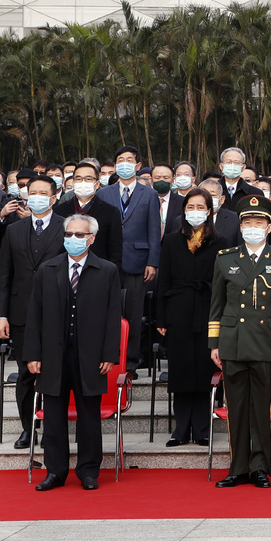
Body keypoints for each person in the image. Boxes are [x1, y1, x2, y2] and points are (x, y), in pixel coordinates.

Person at [25, 213, 124, 491]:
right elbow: (35, 314)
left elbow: (113, 314)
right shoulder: (47, 269)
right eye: (69, 234)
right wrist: (33, 354)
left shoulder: (107, 270)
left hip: (90, 356)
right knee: (54, 416)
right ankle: (55, 471)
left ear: (91, 238)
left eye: (79, 235)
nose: (73, 239)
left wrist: (109, 354)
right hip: (53, 355)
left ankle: (89, 471)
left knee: (89, 417)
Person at [209, 194, 271, 489]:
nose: (253, 227)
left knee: (260, 408)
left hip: (266, 341)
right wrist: (214, 343)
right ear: (240, 226)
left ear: (269, 227)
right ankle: (237, 468)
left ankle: (260, 466)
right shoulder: (225, 258)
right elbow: (217, 305)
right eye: (248, 222)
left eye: (259, 222)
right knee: (236, 408)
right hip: (232, 341)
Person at [155, 189, 232, 447]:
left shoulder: (221, 243)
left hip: (208, 311)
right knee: (181, 370)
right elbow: (163, 280)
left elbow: (225, 284)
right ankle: (180, 429)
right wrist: (161, 318)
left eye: (201, 207)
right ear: (184, 210)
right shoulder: (171, 241)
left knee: (204, 370)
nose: (195, 211)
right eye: (191, 206)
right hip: (178, 311)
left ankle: (201, 428)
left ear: (209, 211)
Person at [0, 174, 64, 447]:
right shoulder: (14, 230)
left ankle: (53, 428)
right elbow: (4, 275)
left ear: (54, 198)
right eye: (32, 192)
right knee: (25, 372)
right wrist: (1, 315)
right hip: (21, 313)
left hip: (57, 312)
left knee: (54, 372)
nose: (36, 197)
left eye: (43, 193)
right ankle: (28, 427)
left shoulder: (66, 227)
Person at [94, 146, 161, 372]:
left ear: (138, 165)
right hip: (108, 261)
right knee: (108, 311)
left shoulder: (149, 194)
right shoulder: (103, 193)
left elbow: (154, 230)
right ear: (114, 166)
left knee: (133, 313)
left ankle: (130, 362)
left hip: (137, 261)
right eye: (120, 160)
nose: (125, 163)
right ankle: (108, 358)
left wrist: (152, 262)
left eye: (129, 160)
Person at [53, 162, 123, 269]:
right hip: (65, 270)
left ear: (97, 184)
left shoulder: (111, 212)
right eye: (78, 179)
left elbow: (115, 251)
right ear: (73, 182)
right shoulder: (59, 210)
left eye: (88, 179)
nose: (83, 182)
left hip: (99, 271)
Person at [150, 163, 185, 237]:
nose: (161, 180)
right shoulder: (143, 200)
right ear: (151, 180)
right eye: (157, 177)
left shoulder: (182, 202)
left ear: (173, 180)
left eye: (166, 178)